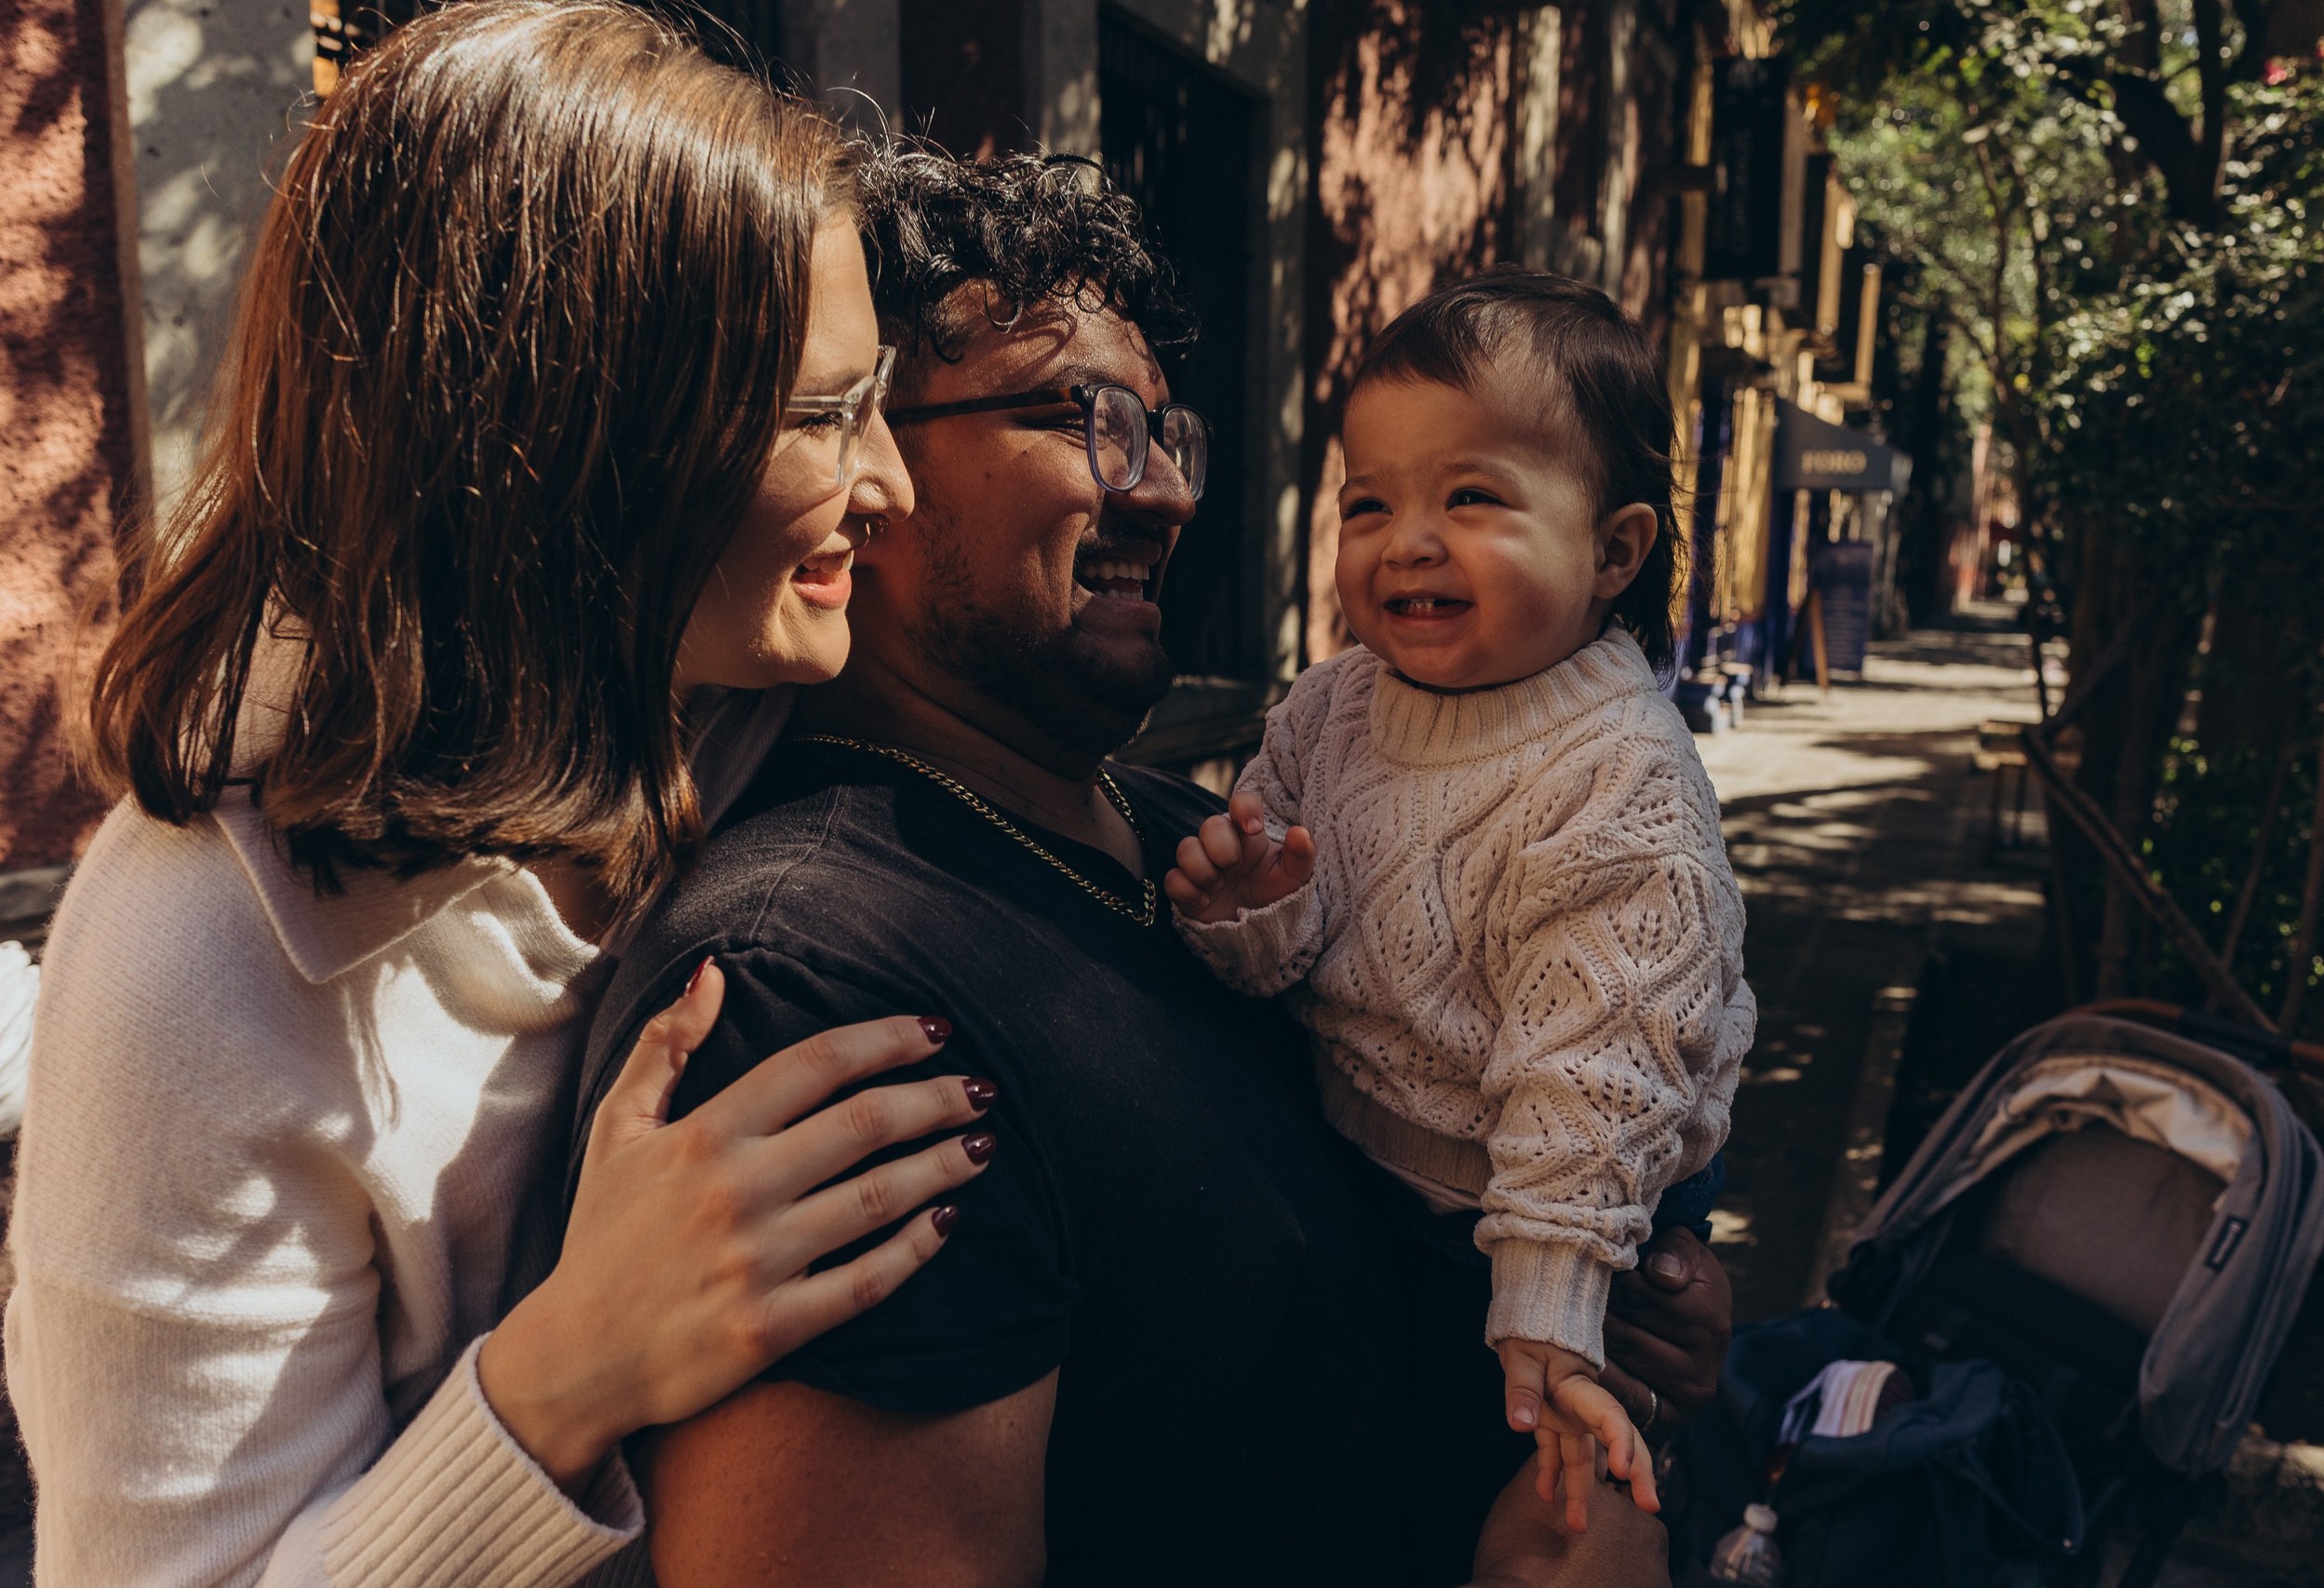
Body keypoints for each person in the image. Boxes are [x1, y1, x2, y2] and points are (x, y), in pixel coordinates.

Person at [571, 149, 1730, 1588]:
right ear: (864, 455)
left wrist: (1616, 1313)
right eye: (1087, 419)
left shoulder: (1213, 845)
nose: (1169, 489)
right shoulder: (821, 995)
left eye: (1162, 426)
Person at [6, 7, 994, 1584]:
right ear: (577, 446)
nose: (889, 485)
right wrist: (570, 1370)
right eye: (821, 416)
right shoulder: (194, 960)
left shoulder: (732, 694)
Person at [1162, 273, 1756, 1531]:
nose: (1407, 540)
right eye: (1368, 503)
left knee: (1486, 1484)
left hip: (1565, 1199)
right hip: (1379, 1160)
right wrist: (1256, 906)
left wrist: (1551, 1299)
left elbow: (1601, 1068)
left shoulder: (1620, 774)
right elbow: (1291, 945)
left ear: (1615, 550)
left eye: (1471, 497)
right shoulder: (1330, 704)